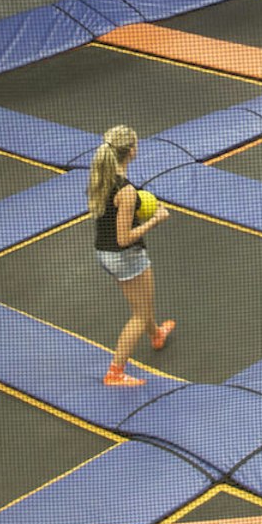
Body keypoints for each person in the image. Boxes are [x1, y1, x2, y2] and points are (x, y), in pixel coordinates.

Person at [88, 124, 174, 387]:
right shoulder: (125, 191)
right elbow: (124, 238)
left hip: (104, 252)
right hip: (125, 255)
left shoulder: (100, 177)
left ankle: (156, 333)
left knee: (143, 303)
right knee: (139, 313)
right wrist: (155, 219)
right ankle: (114, 371)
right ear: (130, 151)